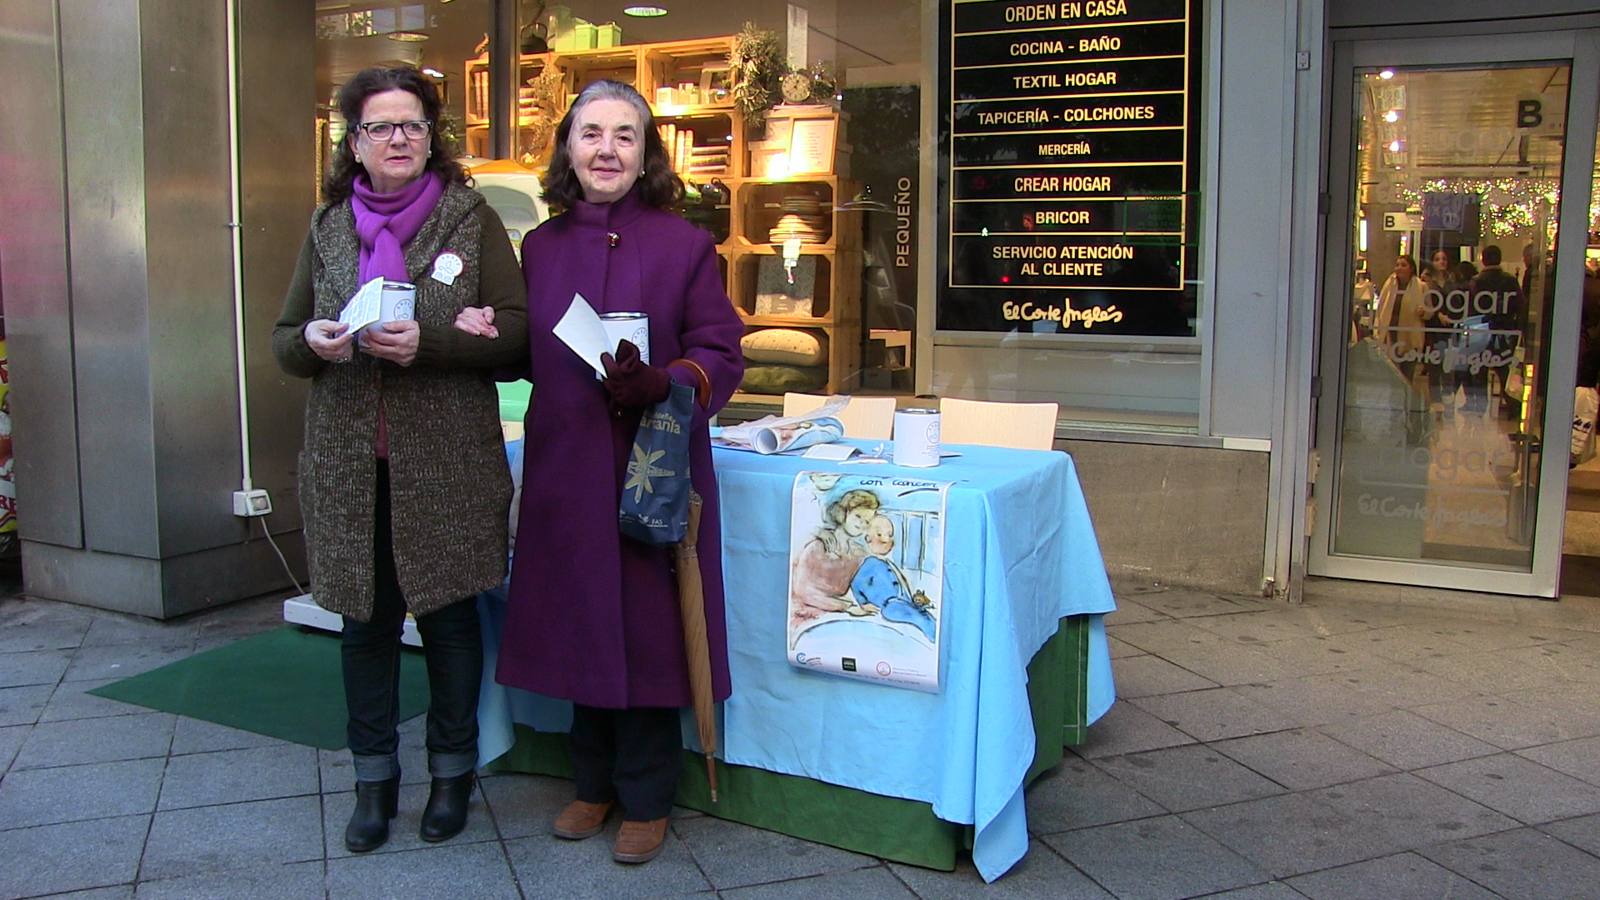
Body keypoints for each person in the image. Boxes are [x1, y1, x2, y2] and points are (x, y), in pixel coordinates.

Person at [464, 79, 744, 866]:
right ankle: (592, 785)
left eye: (625, 134)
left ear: (646, 151)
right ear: (568, 148)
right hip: (568, 468)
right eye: (591, 133)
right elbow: (527, 351)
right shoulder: (540, 248)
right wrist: (487, 330)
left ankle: (649, 797)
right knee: (583, 620)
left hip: (653, 473)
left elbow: (722, 353)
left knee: (650, 631)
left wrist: (667, 380)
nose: (607, 149)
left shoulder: (686, 245)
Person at [271, 65, 528, 854]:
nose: (397, 138)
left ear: (430, 136)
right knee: (367, 625)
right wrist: (312, 343)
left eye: (412, 124)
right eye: (380, 126)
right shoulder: (326, 226)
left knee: (451, 623)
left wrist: (434, 343)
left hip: (448, 463)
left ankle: (452, 775)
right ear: (353, 143)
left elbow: (517, 337)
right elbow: (284, 339)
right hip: (351, 468)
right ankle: (372, 783)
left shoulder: (470, 218)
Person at [789, 488, 879, 627]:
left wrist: (859, 604)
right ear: (844, 513)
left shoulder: (858, 554)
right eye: (858, 516)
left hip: (835, 613)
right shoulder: (817, 547)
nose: (861, 524)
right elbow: (803, 592)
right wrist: (846, 607)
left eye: (867, 521)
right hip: (805, 613)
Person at [1469, 244, 1524, 416]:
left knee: (1480, 370)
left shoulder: (1477, 281)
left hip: (1482, 331)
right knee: (1504, 370)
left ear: (1483, 259)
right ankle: (1513, 406)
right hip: (1504, 331)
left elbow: (1471, 309)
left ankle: (1480, 407)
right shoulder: (1510, 280)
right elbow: (1519, 305)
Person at [1372, 254, 1427, 383]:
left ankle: (1407, 400)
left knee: (1407, 374)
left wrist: (1423, 312)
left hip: (1410, 335)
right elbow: (1381, 308)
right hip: (1391, 333)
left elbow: (1429, 311)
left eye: (1403, 265)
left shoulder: (1421, 286)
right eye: (1397, 265)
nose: (1399, 268)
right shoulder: (1389, 285)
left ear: (1411, 268)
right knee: (1392, 374)